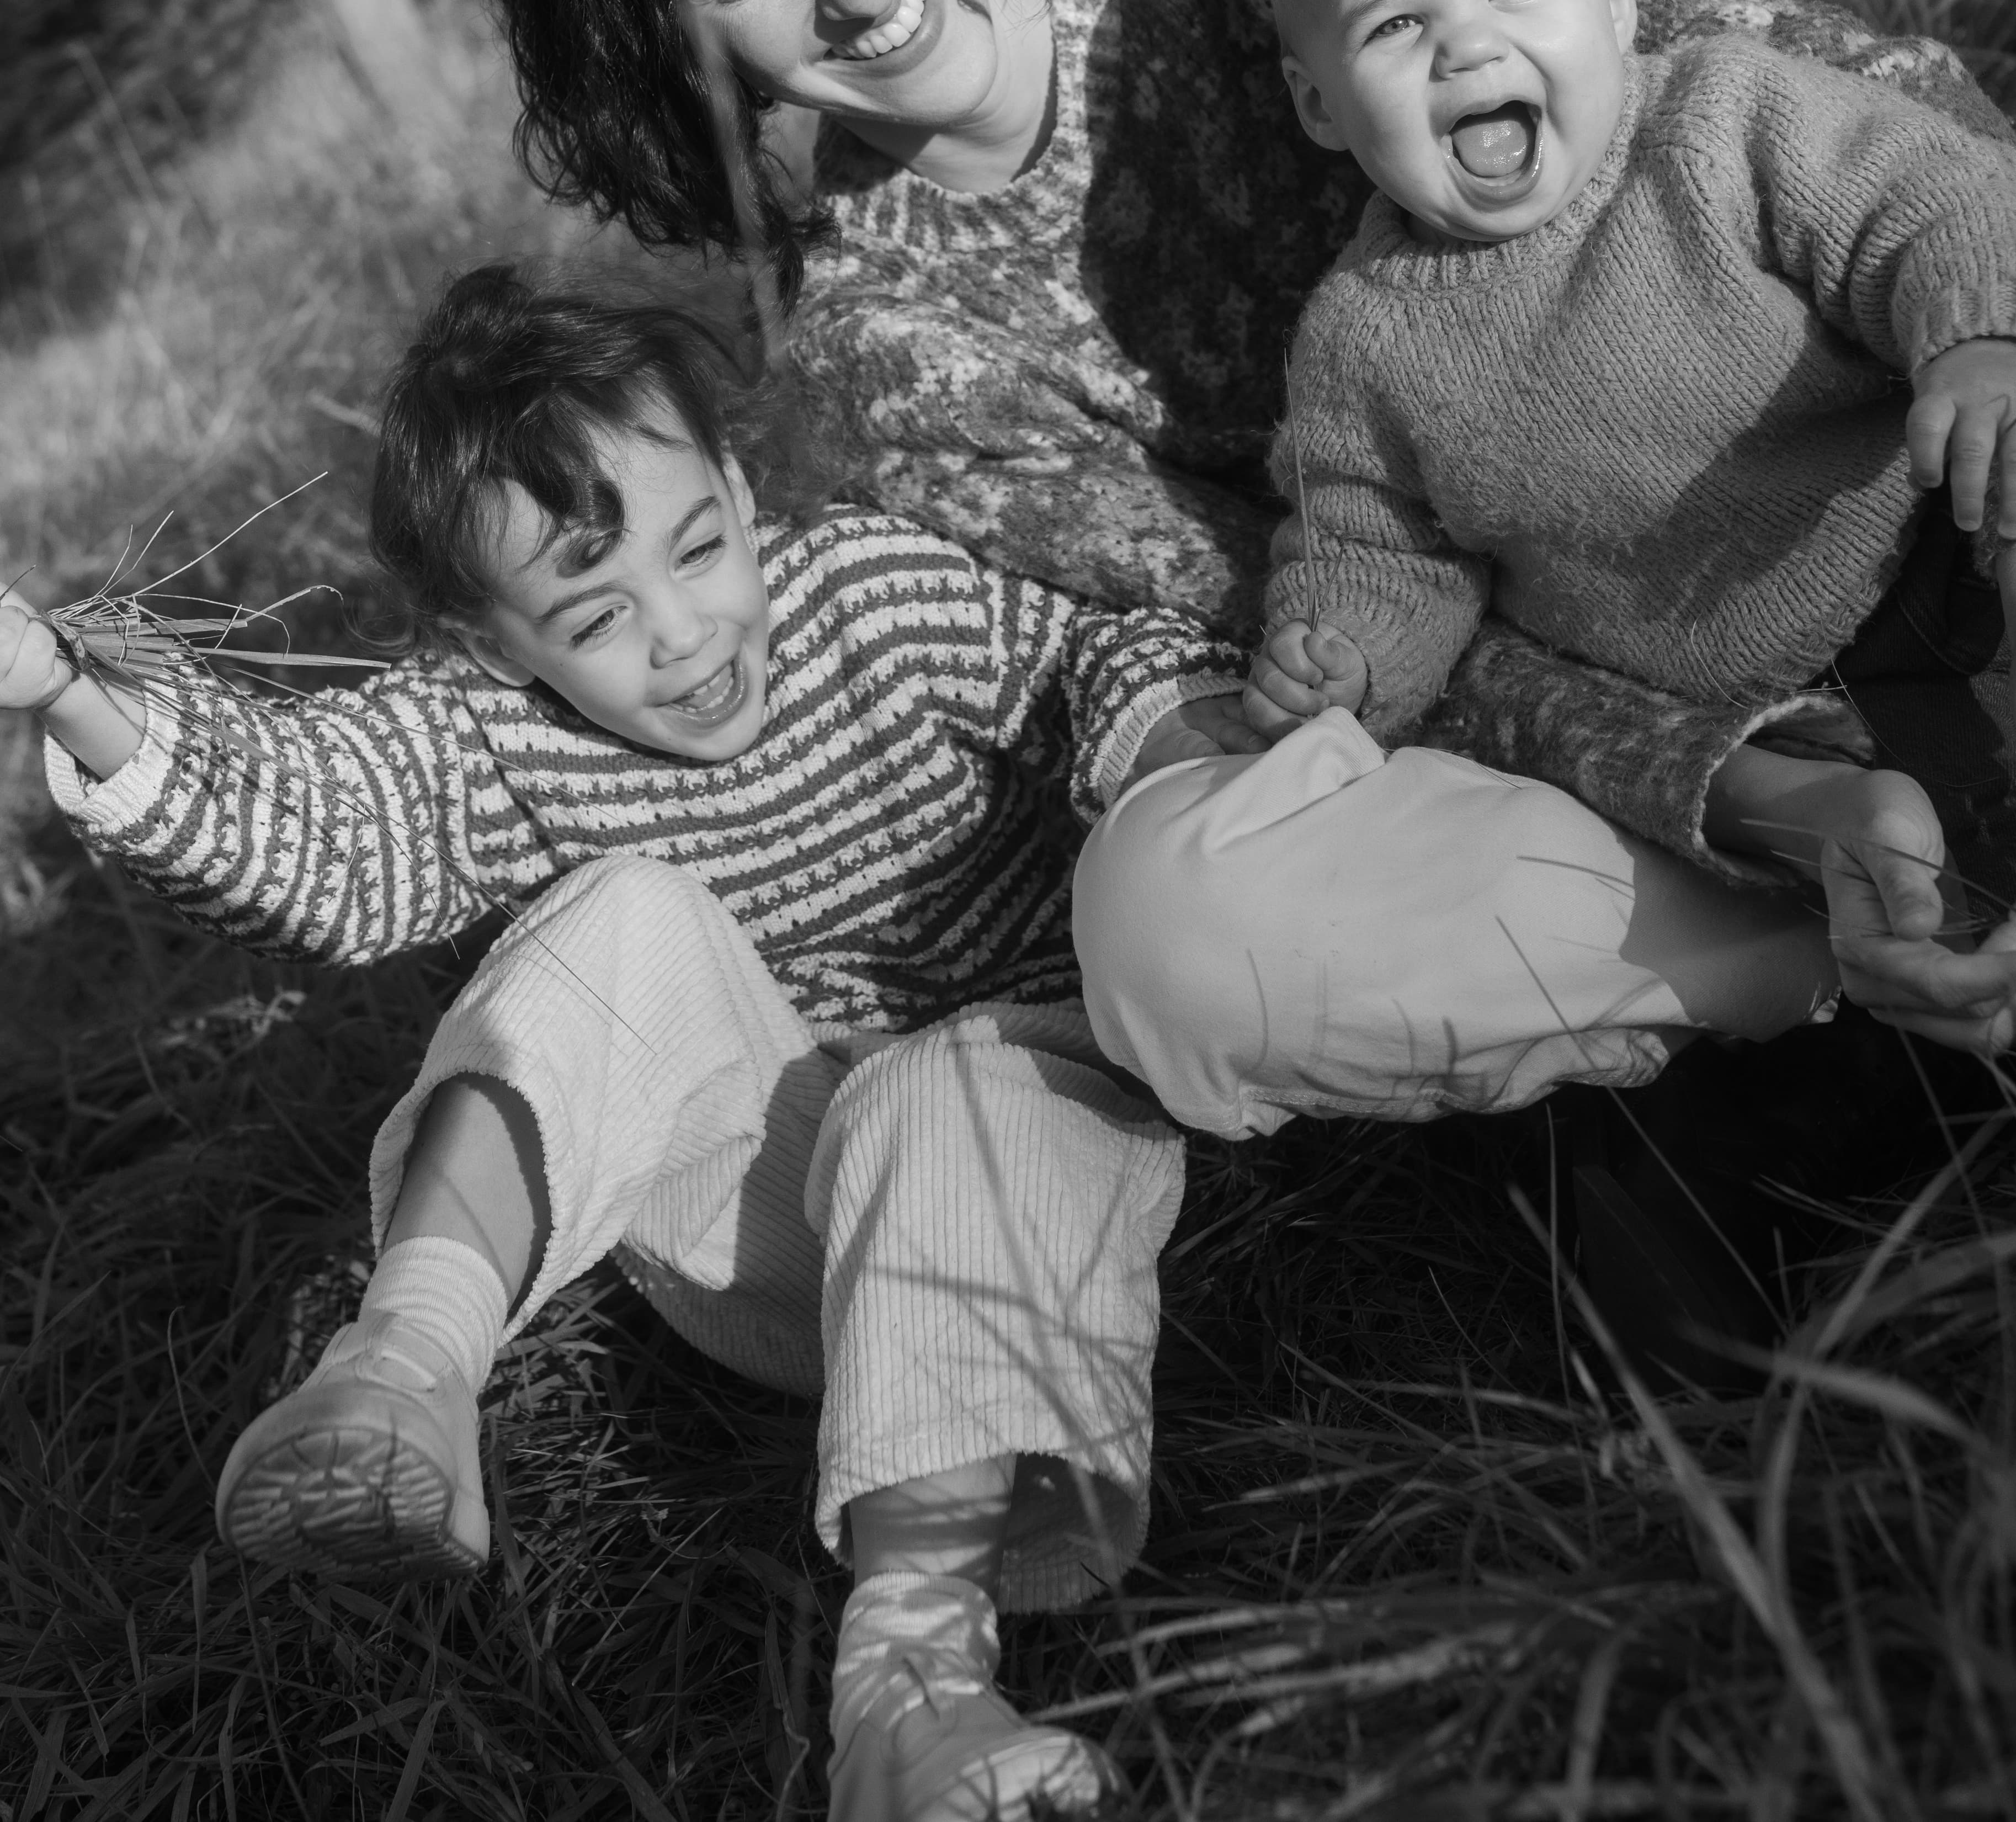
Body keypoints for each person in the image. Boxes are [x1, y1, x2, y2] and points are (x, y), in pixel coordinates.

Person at [471, 0, 2016, 1093]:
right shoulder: (880, 363)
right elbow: (1341, 638)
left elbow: (1879, 124)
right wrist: (1761, 798)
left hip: (1920, 476)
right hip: (1612, 727)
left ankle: (1989, 804)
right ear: (663, 41)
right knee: (1181, 923)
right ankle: (1835, 949)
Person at [4, 266, 1256, 1822]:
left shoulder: (874, 591)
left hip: (1021, 1168)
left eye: (701, 545)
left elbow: (1092, 656)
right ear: (498, 638)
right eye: (595, 615)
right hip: (772, 1222)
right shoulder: (495, 732)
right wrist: (68, 686)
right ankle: (405, 1365)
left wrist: (1182, 754)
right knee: (620, 911)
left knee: (961, 1086)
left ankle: (912, 1690)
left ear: (743, 491)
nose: (678, 634)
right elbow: (319, 832)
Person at [1238, 0, 2016, 1032]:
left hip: (1945, 526)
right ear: (1319, 103)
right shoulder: (1363, 340)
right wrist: (1346, 653)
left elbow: (1928, 198)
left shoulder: (1720, 119)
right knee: (1968, 881)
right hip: (1772, 713)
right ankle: (1994, 997)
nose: (1469, 45)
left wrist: (1985, 342)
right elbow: (1384, 547)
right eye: (1394, 27)